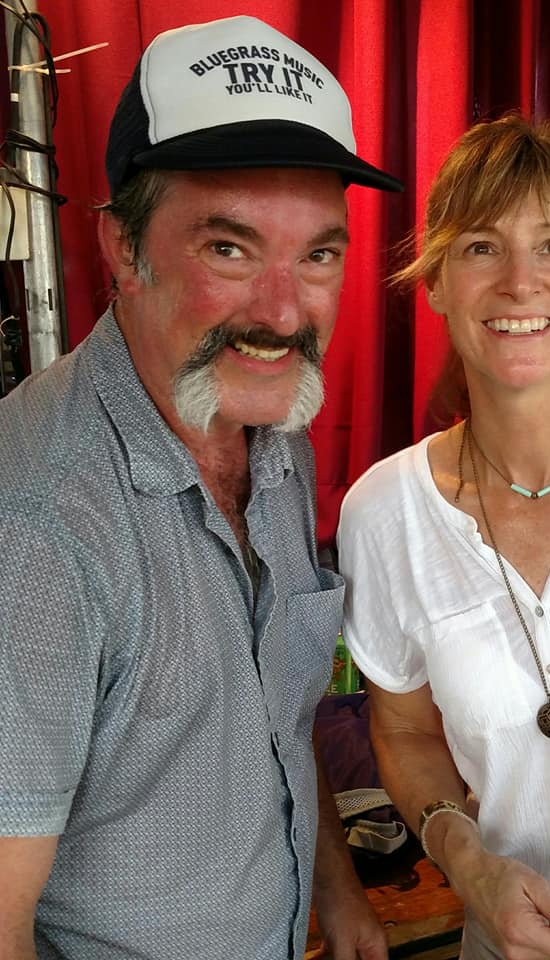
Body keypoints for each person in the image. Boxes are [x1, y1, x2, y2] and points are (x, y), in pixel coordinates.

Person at [0, 15, 402, 960]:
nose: (282, 310)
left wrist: (336, 890)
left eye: (318, 255)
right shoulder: (38, 528)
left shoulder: (272, 432)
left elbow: (280, 708)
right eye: (228, 248)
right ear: (122, 250)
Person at [338, 114, 550, 960]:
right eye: (482, 247)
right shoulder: (383, 511)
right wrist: (465, 860)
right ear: (437, 283)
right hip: (510, 946)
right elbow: (407, 732)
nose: (521, 282)